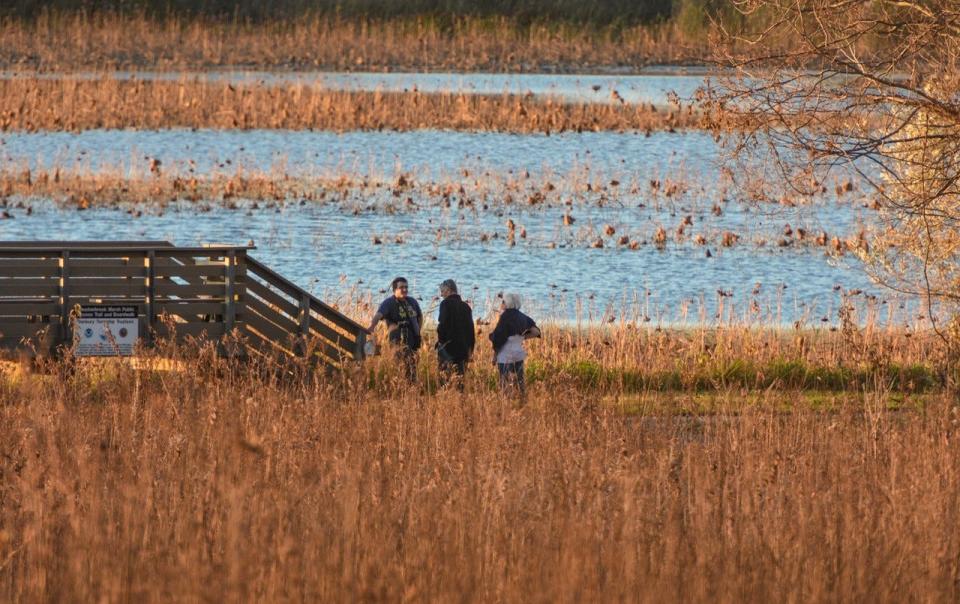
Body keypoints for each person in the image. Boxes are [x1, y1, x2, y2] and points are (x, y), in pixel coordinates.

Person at [368, 277, 423, 381]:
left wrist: (418, 332)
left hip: (413, 340)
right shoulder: (389, 303)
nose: (405, 290)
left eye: (406, 287)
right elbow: (379, 315)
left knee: (413, 368)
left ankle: (412, 390)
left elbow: (420, 317)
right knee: (399, 367)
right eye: (401, 287)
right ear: (394, 290)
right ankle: (400, 389)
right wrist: (372, 326)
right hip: (396, 341)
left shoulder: (412, 301)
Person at [489, 293, 541, 396]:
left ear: (507, 304)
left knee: (505, 386)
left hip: (505, 356)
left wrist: (495, 356)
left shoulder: (504, 317)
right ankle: (521, 404)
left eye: (503, 301)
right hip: (518, 355)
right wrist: (522, 337)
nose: (501, 303)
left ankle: (507, 407)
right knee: (520, 385)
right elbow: (536, 332)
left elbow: (499, 339)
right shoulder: (522, 316)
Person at [436, 279, 475, 390]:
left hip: (448, 348)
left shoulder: (445, 304)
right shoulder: (466, 307)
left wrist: (441, 342)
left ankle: (446, 401)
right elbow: (471, 331)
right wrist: (470, 350)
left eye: (442, 291)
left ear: (448, 290)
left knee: (445, 381)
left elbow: (442, 325)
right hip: (463, 349)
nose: (441, 294)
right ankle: (460, 402)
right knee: (460, 381)